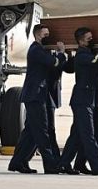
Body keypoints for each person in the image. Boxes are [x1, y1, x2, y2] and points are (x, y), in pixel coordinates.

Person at [9, 25, 63, 173]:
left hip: (37, 95)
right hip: (35, 96)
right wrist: (61, 53)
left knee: (31, 133)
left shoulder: (40, 50)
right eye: (46, 34)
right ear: (38, 35)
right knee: (41, 130)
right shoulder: (36, 50)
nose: (48, 37)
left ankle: (18, 162)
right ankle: (50, 165)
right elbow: (54, 63)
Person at [62, 28, 98, 175]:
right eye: (89, 38)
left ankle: (63, 164)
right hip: (82, 101)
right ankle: (97, 167)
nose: (92, 40)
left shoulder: (88, 54)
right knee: (88, 135)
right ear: (81, 41)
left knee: (77, 135)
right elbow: (96, 60)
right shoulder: (82, 55)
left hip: (86, 100)